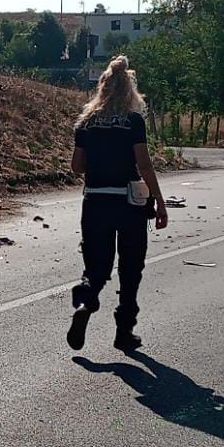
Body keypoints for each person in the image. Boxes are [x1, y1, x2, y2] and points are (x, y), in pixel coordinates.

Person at [68, 55, 168, 352]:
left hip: (95, 202)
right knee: (131, 266)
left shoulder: (86, 122)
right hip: (129, 203)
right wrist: (160, 202)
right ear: (129, 89)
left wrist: (100, 162)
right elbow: (145, 165)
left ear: (102, 86)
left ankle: (86, 301)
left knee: (97, 265)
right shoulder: (133, 121)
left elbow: (76, 166)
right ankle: (124, 332)